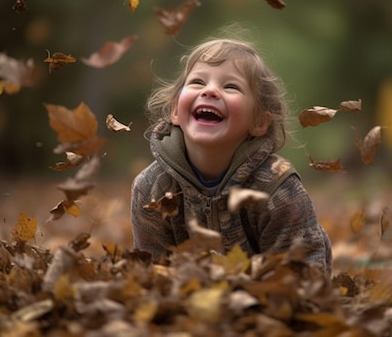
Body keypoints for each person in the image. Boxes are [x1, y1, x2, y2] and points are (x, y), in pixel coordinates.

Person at [130, 35, 332, 276]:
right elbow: (151, 272)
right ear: (175, 109)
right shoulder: (152, 188)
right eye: (197, 82)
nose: (210, 91)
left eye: (231, 86)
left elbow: (305, 275)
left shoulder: (277, 188)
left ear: (259, 121)